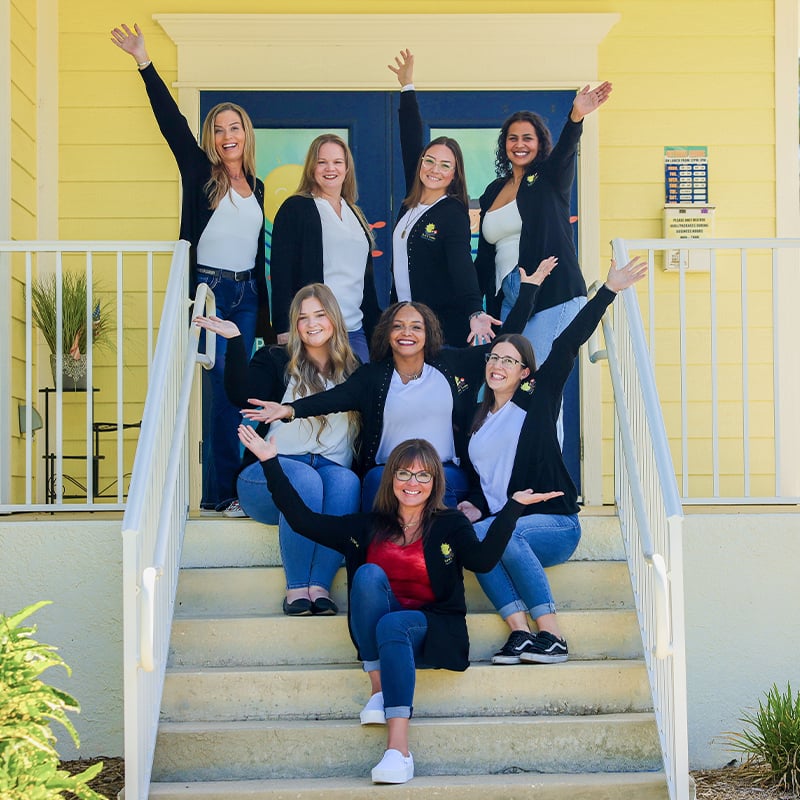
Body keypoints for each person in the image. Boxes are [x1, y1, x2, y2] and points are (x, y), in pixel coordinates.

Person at [238, 431, 562, 783]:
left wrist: (512, 508)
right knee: (367, 575)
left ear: (435, 482)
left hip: (433, 629)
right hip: (383, 636)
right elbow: (303, 520)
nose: (413, 482)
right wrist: (270, 462)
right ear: (391, 477)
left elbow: (483, 562)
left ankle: (399, 751)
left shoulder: (449, 524)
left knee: (395, 625)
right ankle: (379, 689)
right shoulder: (367, 526)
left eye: (423, 475)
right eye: (404, 473)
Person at [243, 258, 557, 511]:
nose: (407, 332)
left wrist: (528, 292)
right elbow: (332, 399)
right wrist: (288, 410)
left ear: (428, 332)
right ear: (388, 333)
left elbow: (504, 344)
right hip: (387, 473)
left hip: (444, 472)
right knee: (378, 488)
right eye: (399, 326)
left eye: (416, 326)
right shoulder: (373, 376)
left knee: (438, 518)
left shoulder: (451, 365)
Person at [111, 23, 271, 513]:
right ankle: (219, 494)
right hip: (211, 291)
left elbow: (257, 253)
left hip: (245, 296)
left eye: (234, 128)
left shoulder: (257, 186)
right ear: (212, 137)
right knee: (222, 394)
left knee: (245, 393)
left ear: (246, 134)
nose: (227, 136)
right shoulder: (201, 173)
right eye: (219, 129)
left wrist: (267, 322)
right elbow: (171, 124)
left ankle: (241, 487)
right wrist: (144, 61)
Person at [458, 256, 647, 665]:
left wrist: (608, 291)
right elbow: (486, 476)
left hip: (554, 523)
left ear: (525, 371)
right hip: (506, 519)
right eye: (494, 357)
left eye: (509, 360)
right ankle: (522, 633)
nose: (498, 364)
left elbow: (566, 344)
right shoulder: (477, 418)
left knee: (506, 534)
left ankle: (553, 636)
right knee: (474, 539)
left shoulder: (536, 398)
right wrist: (473, 501)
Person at [195, 284, 361, 615]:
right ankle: (297, 587)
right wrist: (234, 340)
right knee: (305, 479)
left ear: (334, 319)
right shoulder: (276, 359)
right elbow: (242, 396)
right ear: (294, 325)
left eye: (320, 314)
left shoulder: (354, 369)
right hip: (269, 474)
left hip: (329, 470)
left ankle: (320, 587)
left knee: (348, 483)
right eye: (303, 318)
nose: (312, 324)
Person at [473, 81, 612, 438]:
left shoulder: (549, 178)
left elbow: (567, 150)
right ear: (505, 145)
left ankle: (549, 485)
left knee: (540, 388)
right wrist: (480, 305)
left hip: (552, 293)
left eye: (528, 138)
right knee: (500, 388)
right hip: (511, 299)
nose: (520, 145)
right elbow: (485, 256)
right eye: (513, 138)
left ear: (540, 144)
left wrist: (576, 116)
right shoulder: (493, 190)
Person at [388, 50, 497, 347]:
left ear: (454, 175)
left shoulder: (451, 212)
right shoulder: (410, 203)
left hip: (441, 330)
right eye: (429, 161)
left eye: (445, 165)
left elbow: (462, 264)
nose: (435, 169)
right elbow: (410, 139)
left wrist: (475, 309)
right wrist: (407, 86)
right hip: (404, 324)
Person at [269, 134, 379, 363]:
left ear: (347, 168)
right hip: (315, 331)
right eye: (322, 162)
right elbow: (281, 273)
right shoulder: (296, 208)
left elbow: (364, 281)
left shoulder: (354, 213)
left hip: (355, 330)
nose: (330, 168)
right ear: (312, 167)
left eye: (337, 162)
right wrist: (283, 327)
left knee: (360, 396)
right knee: (319, 397)